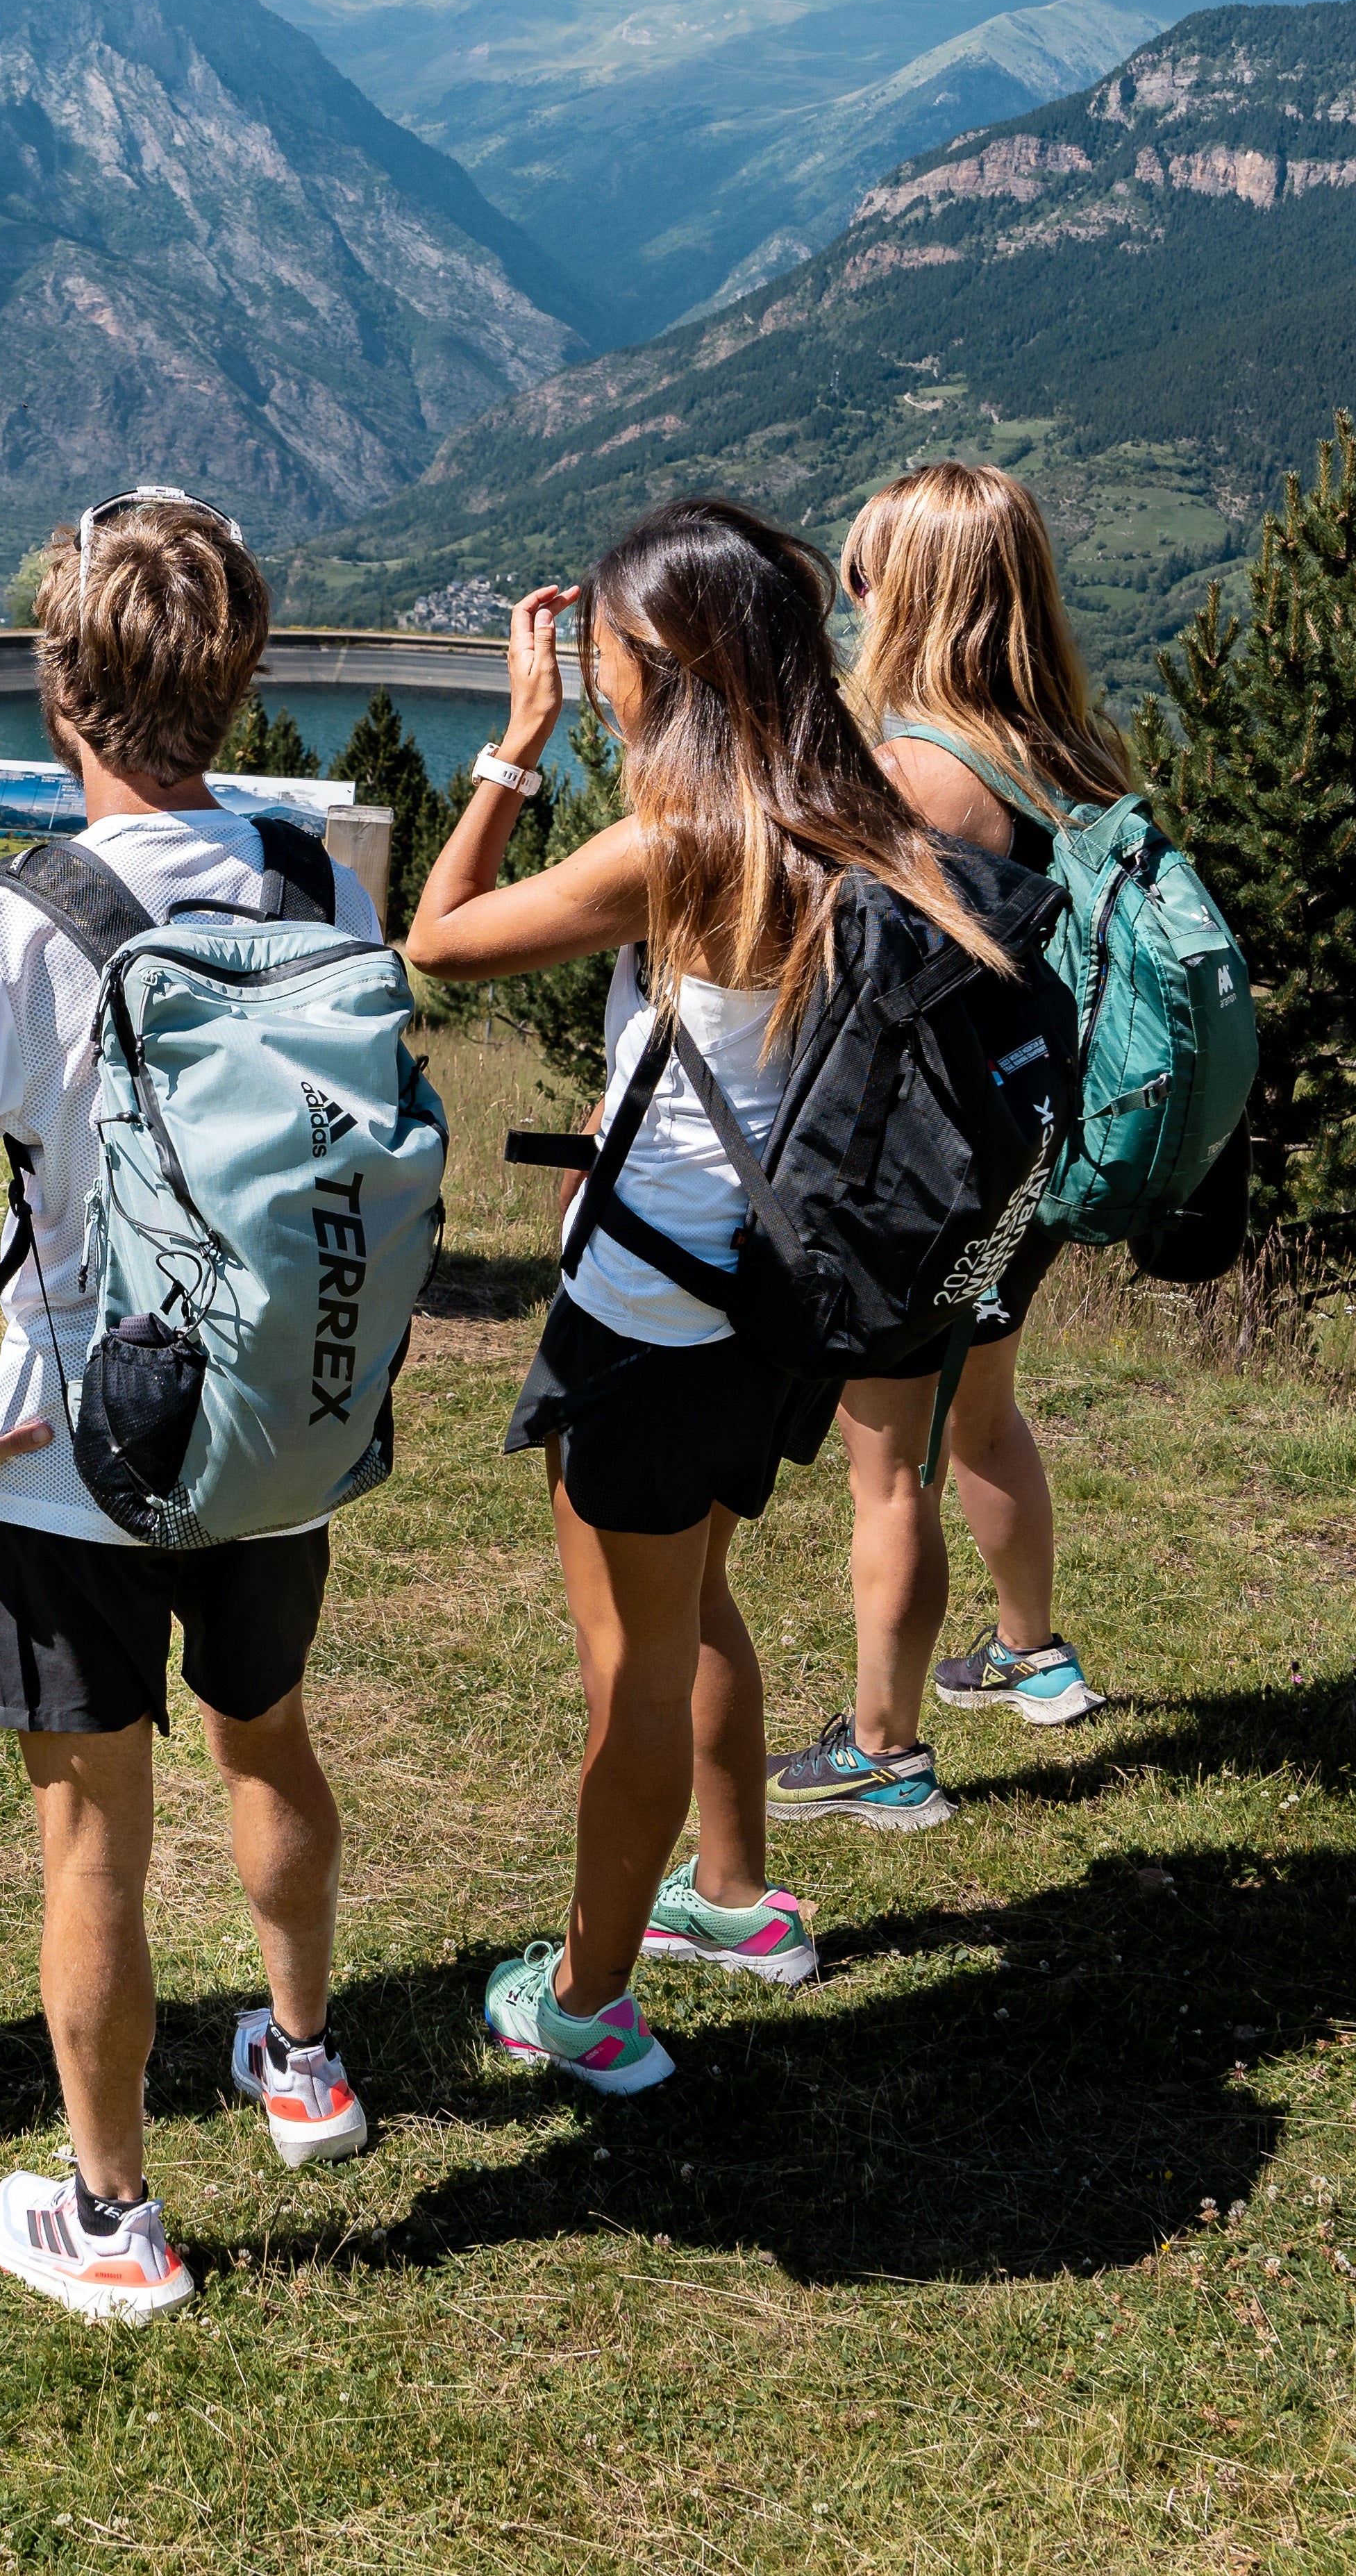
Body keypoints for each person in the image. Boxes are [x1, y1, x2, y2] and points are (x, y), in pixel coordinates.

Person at [0, 489, 375, 2325]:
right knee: (269, 1739)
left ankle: (113, 2213)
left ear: (60, 693)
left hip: (71, 1454)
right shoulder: (311, 879)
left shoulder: (23, 921)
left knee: (93, 1835)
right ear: (237, 680)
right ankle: (300, 2060)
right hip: (272, 1426)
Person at [403, 497, 1021, 2096]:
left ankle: (591, 2000)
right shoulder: (849, 811)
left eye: (601, 660)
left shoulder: (689, 843)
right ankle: (735, 1898)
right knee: (691, 1605)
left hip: (649, 1321)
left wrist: (512, 747)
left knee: (634, 1671)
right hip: (770, 1309)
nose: (591, 680)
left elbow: (441, 943)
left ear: (659, 670)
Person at [793, 459, 1121, 1766]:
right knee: (980, 1407)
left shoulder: (916, 775)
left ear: (915, 592)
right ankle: (1033, 1653)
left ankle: (881, 1751)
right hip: (1027, 1135)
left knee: (888, 1464)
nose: (853, 600)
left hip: (928, 1159)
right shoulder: (1068, 754)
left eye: (864, 574)